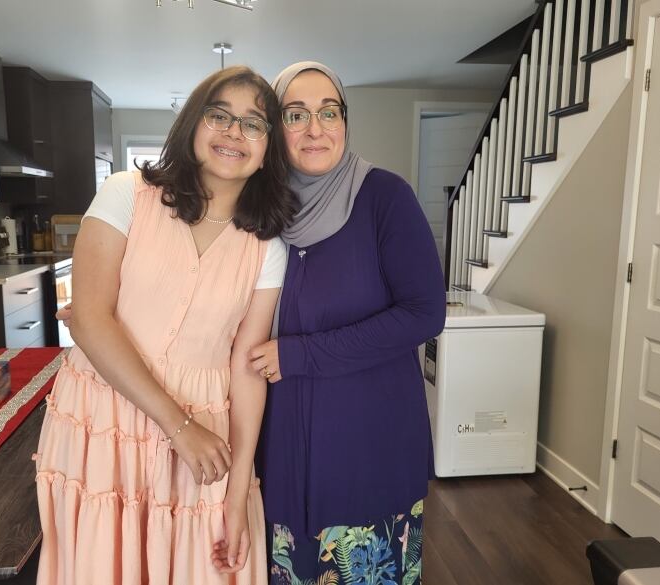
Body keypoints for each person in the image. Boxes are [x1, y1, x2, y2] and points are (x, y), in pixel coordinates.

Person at [34, 65, 297, 585]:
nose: (232, 133)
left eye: (253, 123)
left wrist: (239, 489)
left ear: (269, 147)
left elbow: (247, 367)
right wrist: (179, 427)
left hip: (208, 437)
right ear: (193, 124)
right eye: (218, 115)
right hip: (103, 419)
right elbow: (88, 318)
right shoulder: (125, 195)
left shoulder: (268, 248)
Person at [240, 62, 446, 584]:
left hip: (369, 444)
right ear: (274, 126)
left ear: (345, 122)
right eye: (296, 114)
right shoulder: (260, 211)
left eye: (329, 112)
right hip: (285, 445)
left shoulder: (385, 198)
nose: (316, 128)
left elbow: (425, 312)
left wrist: (300, 354)